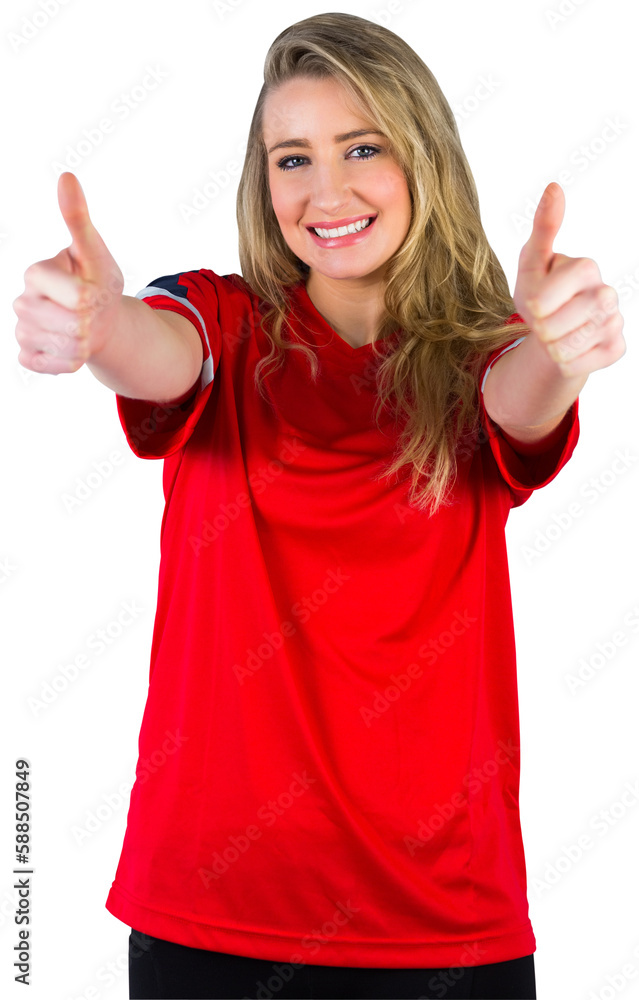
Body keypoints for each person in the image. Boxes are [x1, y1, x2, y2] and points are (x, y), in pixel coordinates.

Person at [13, 12, 625, 1000]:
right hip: (212, 913)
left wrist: (561, 351)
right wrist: (94, 324)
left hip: (444, 930)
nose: (324, 190)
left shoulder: (488, 351)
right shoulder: (218, 319)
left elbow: (520, 401)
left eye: (362, 147)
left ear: (421, 154)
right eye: (291, 157)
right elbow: (153, 349)